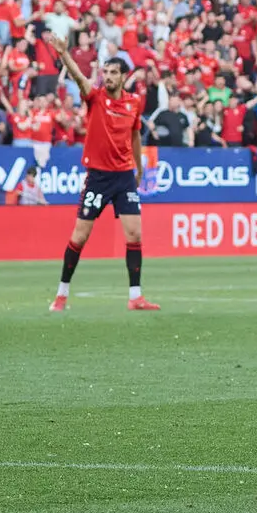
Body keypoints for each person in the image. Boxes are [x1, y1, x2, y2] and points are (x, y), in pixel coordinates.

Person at [49, 36, 160, 312]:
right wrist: (64, 54)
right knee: (80, 237)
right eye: (105, 73)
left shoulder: (134, 103)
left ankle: (135, 297)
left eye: (112, 73)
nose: (107, 77)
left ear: (124, 77)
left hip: (124, 176)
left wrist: (139, 166)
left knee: (134, 234)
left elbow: (135, 135)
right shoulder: (95, 97)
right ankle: (61, 295)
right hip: (98, 177)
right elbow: (79, 79)